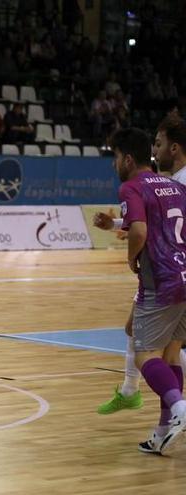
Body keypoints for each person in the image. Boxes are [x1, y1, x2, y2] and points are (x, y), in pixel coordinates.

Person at [94, 116, 186, 415]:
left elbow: (145, 229)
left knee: (150, 350)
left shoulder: (171, 182)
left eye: (158, 145)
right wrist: (116, 224)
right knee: (158, 342)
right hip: (178, 269)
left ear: (174, 148)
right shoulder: (173, 183)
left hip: (166, 273)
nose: (155, 152)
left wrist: (131, 256)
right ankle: (159, 415)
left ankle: (173, 408)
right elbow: (162, 220)